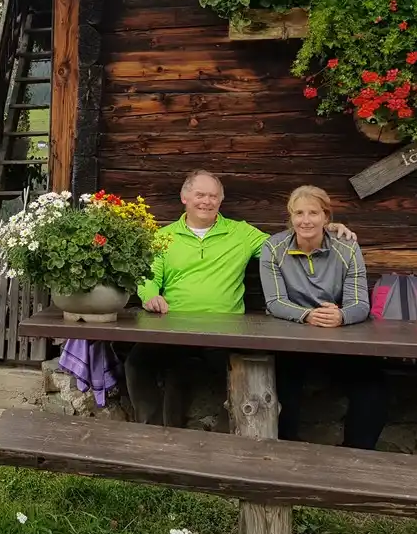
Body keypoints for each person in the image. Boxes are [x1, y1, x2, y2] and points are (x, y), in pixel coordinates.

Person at [125, 170, 357, 425]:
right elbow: (148, 277)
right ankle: (150, 433)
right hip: (173, 324)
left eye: (213, 196)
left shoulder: (241, 233)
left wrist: (327, 230)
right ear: (184, 198)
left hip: (226, 329)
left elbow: (283, 248)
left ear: (220, 201)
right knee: (138, 362)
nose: (206, 201)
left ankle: (231, 439)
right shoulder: (163, 236)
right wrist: (149, 296)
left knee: (244, 372)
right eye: (200, 194)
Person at [260, 185, 387, 450]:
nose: (305, 220)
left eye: (313, 213)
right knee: (281, 382)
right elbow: (274, 302)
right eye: (299, 213)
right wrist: (307, 315)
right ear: (291, 216)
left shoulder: (348, 248)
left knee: (372, 383)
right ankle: (284, 450)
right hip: (292, 337)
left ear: (326, 217)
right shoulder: (273, 248)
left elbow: (360, 303)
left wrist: (341, 315)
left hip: (337, 337)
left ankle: (357, 453)